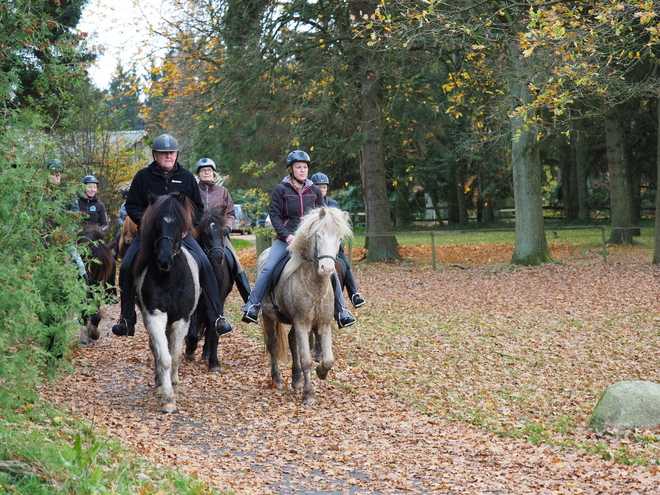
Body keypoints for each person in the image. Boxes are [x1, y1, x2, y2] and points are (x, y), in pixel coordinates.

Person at [111, 134, 233, 337]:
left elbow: (198, 208)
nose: (168, 156)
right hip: (150, 235)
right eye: (163, 153)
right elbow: (132, 206)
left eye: (171, 153)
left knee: (204, 263)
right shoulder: (142, 177)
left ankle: (216, 316)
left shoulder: (186, 177)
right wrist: (147, 223)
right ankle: (126, 318)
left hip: (181, 235)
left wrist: (188, 226)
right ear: (155, 155)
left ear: (176, 154)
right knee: (125, 266)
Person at [240, 150, 356, 328]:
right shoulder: (280, 190)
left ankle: (341, 310)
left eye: (304, 167)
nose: (302, 170)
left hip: (309, 243)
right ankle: (253, 305)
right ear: (291, 170)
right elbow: (275, 216)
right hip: (285, 240)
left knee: (329, 270)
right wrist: (287, 235)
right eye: (298, 167)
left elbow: (321, 217)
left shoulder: (315, 191)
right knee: (269, 267)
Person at [196, 158, 251, 303]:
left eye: (208, 170)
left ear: (214, 173)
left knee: (234, 260)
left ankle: (248, 300)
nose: (206, 173)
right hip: (197, 234)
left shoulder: (223, 191)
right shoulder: (194, 190)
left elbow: (231, 213)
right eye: (203, 170)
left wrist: (227, 227)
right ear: (199, 174)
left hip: (218, 234)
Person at [310, 172, 366, 309]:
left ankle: (354, 294)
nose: (322, 190)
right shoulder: (309, 205)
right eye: (319, 187)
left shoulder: (333, 204)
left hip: (333, 243)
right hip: (315, 243)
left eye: (324, 187)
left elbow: (339, 224)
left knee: (345, 264)